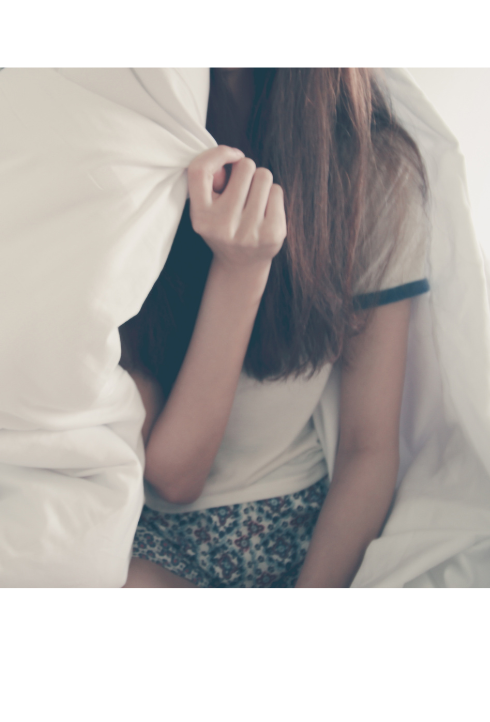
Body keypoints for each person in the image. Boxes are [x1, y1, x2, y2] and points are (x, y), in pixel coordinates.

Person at [119, 68, 430, 588]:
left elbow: (368, 448)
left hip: (291, 524)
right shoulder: (129, 153)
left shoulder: (370, 171)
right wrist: (241, 271)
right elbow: (172, 476)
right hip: (145, 531)